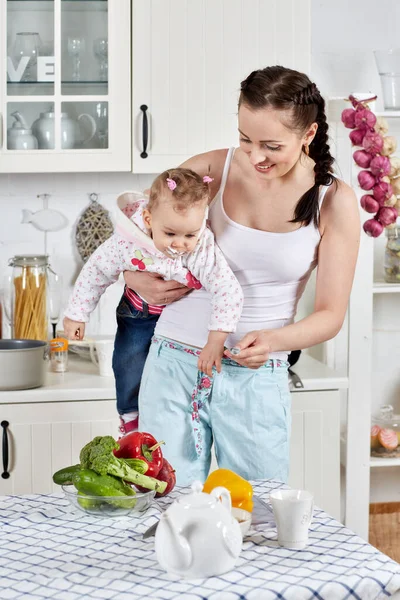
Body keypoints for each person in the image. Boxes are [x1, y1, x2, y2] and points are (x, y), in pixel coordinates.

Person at [124, 65, 360, 485]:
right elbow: (132, 237)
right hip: (175, 365)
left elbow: (330, 315)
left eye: (272, 145)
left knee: (256, 510)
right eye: (245, 139)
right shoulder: (210, 171)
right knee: (164, 505)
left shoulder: (332, 200)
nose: (255, 156)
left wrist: (272, 341)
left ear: (308, 135)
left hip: (255, 374)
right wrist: (134, 278)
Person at [63, 168, 243, 434]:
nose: (180, 244)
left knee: (171, 380)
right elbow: (97, 270)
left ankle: (170, 422)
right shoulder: (126, 242)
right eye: (170, 234)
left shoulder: (202, 247)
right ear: (148, 219)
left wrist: (216, 340)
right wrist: (76, 314)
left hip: (178, 323)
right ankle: (130, 416)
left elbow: (227, 289)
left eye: (189, 235)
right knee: (128, 362)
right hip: (138, 313)